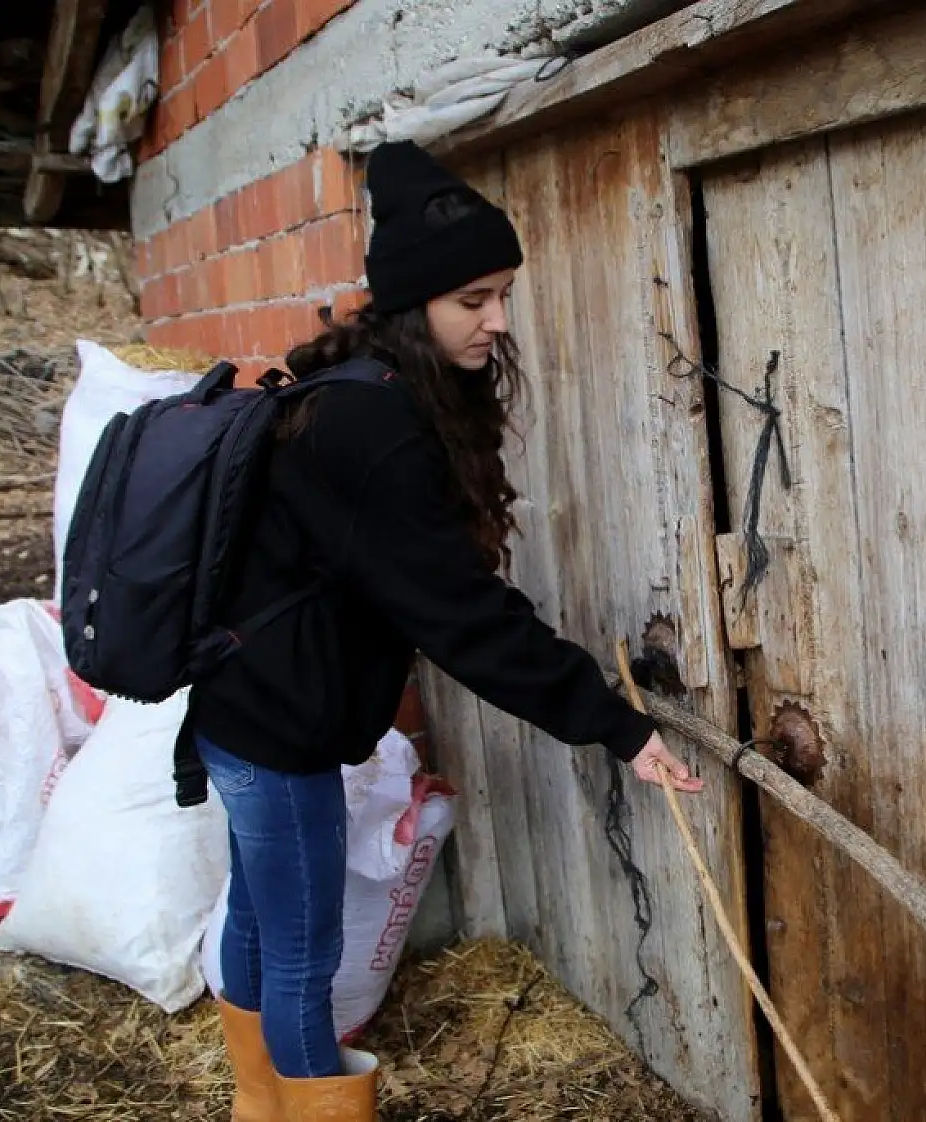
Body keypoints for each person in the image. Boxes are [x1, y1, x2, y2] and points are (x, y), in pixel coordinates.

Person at [194, 140, 704, 1122]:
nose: (498, 320)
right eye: (474, 299)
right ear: (411, 303)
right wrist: (617, 725)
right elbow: (464, 618)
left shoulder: (368, 394)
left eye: (503, 295)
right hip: (275, 728)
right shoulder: (370, 426)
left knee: (260, 922)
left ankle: (258, 1105)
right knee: (300, 953)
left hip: (245, 708)